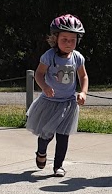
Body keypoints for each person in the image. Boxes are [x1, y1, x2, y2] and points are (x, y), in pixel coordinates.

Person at [26, 14, 88, 176]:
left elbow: (83, 76)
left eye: (73, 40)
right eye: (64, 39)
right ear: (55, 38)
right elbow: (39, 74)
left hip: (68, 103)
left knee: (63, 136)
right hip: (49, 102)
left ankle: (58, 166)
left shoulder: (77, 58)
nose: (69, 43)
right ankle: (41, 152)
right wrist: (44, 86)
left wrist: (83, 92)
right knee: (46, 133)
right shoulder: (49, 56)